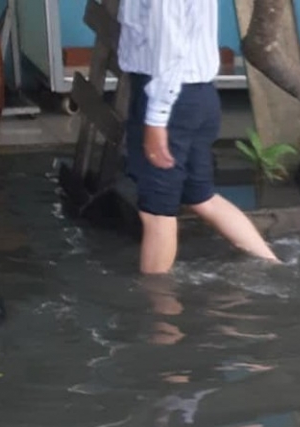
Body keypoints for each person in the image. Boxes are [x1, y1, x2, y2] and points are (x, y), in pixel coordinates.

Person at [119, 0, 277, 274]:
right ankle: (276, 268)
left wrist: (156, 119)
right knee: (201, 197)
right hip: (198, 92)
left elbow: (168, 49)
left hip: (170, 98)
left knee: (156, 213)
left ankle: (158, 310)